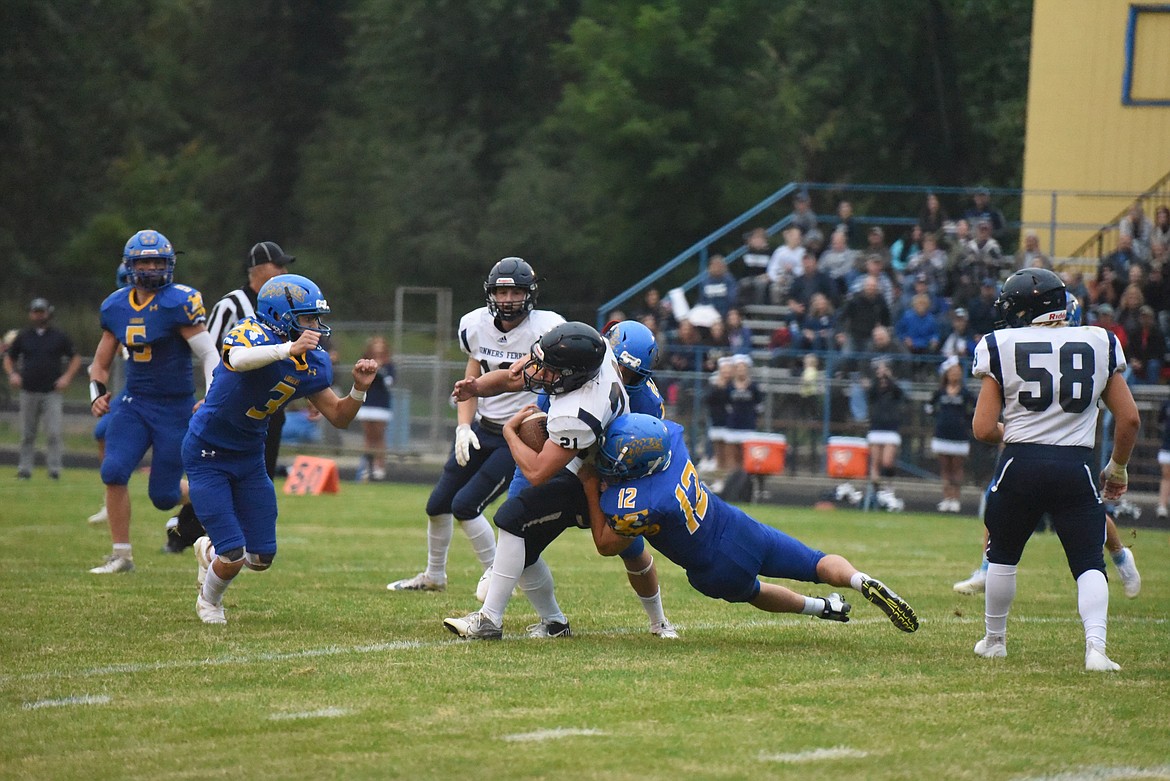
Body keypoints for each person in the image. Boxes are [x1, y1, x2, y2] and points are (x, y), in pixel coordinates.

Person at [580, 413, 919, 633]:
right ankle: (860, 580)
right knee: (816, 562)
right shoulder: (671, 444)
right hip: (738, 526)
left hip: (715, 568)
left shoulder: (641, 503)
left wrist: (588, 484)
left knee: (756, 593)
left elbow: (606, 543)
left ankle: (820, 609)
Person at [442, 322, 668, 640]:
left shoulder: (580, 411)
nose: (542, 374)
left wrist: (509, 432)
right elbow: (515, 375)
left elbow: (538, 471)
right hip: (573, 460)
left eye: (552, 370)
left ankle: (491, 622)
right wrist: (476, 388)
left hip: (592, 475)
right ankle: (552, 623)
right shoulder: (598, 353)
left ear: (574, 375)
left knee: (516, 522)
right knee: (519, 534)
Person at [969, 268, 1140, 671]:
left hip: (1019, 464)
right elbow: (1129, 419)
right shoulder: (1099, 340)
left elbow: (981, 428)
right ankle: (1096, 649)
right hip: (1074, 466)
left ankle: (995, 640)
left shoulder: (1000, 344)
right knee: (1087, 564)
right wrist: (1117, 468)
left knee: (1003, 557)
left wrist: (1021, 432)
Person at [187, 274, 378, 623]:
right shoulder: (251, 332)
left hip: (249, 455)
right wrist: (286, 349)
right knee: (233, 553)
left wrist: (359, 390)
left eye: (316, 318)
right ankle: (209, 600)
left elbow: (338, 416)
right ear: (279, 314)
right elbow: (238, 359)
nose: (316, 326)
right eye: (307, 318)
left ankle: (208, 549)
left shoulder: (313, 361)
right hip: (208, 451)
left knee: (261, 557)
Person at [387, 258, 564, 594]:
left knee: (466, 506)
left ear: (529, 294)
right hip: (484, 428)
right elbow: (471, 380)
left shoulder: (548, 328)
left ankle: (500, 581)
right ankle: (434, 575)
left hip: (521, 435)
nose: (508, 298)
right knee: (437, 505)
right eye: (501, 290)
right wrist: (463, 427)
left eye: (515, 291)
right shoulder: (475, 325)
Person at [87, 229, 219, 574]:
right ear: (130, 265)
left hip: (174, 406)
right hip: (134, 402)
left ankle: (211, 492)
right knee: (113, 470)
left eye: (157, 261)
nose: (151, 267)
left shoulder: (179, 301)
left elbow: (208, 354)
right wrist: (97, 396)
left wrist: (211, 394)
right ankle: (121, 555)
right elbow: (99, 365)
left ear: (170, 264)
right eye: (144, 261)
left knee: (162, 496)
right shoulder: (115, 305)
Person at [163, 240, 296, 553]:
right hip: (231, 411)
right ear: (261, 270)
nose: (285, 272)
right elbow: (212, 354)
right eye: (280, 266)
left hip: (269, 408)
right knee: (221, 475)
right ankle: (185, 533)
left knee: (257, 477)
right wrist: (211, 397)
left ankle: (227, 540)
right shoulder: (231, 305)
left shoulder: (284, 307)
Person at [4, 298, 81, 480]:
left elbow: (75, 358)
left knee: (53, 432)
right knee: (27, 433)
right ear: (31, 314)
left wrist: (66, 378)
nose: (39, 315)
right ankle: (25, 469)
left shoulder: (59, 336)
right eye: (35, 312)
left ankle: (54, 469)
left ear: (48, 313)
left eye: (41, 311)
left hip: (51, 391)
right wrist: (12, 374)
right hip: (28, 390)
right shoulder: (24, 336)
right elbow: (9, 358)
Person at [925, 356, 975, 512]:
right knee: (945, 468)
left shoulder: (966, 393)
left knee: (957, 468)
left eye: (957, 372)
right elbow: (929, 407)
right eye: (952, 372)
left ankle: (955, 498)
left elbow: (973, 409)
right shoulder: (940, 392)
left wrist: (965, 422)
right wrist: (937, 418)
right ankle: (946, 497)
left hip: (959, 435)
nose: (955, 375)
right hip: (942, 433)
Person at [864, 359, 906, 511]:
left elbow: (899, 394)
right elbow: (870, 394)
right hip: (876, 427)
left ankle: (888, 488)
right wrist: (877, 379)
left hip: (890, 428)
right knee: (875, 462)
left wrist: (889, 377)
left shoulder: (893, 389)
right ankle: (875, 493)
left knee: (887, 462)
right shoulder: (874, 388)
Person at [355, 335, 396, 481]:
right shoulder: (365, 362)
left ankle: (380, 467)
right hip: (367, 402)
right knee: (367, 436)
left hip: (381, 404)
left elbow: (390, 383)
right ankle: (366, 466)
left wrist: (381, 370)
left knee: (379, 436)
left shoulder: (389, 364)